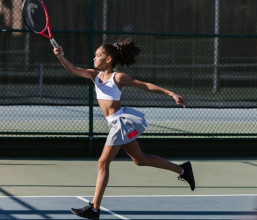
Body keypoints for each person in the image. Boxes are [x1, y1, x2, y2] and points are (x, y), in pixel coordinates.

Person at [52, 38, 195, 220]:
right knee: (140, 160)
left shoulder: (118, 77)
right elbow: (72, 69)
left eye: (98, 55)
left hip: (121, 123)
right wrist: (60, 56)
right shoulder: (94, 75)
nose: (94, 58)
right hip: (115, 124)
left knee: (103, 162)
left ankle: (94, 208)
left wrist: (171, 93)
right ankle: (183, 170)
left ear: (109, 59)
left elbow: (145, 85)